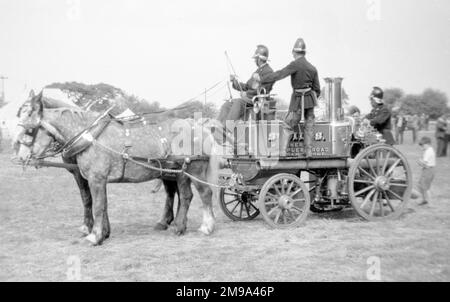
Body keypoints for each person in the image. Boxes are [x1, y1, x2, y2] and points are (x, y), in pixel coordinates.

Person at [259, 37, 320, 157]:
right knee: (309, 125)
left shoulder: (295, 65)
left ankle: (282, 152)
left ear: (294, 52)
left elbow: (279, 74)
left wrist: (262, 79)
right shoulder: (312, 68)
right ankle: (308, 152)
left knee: (288, 125)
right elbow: (317, 90)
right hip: (310, 101)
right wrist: (310, 99)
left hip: (297, 100)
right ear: (304, 52)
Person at [217, 45, 274, 129]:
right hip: (248, 98)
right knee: (227, 104)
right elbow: (246, 86)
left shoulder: (268, 71)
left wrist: (246, 94)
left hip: (256, 100)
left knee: (238, 102)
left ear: (259, 59)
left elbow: (263, 89)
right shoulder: (258, 71)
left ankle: (227, 128)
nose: (255, 61)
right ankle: (218, 125)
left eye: (255, 59)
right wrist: (234, 81)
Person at [411, 136, 436, 206]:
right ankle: (424, 200)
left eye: (423, 145)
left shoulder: (428, 151)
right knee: (421, 185)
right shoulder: (430, 150)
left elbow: (424, 163)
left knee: (426, 187)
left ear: (427, 144)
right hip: (428, 170)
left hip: (428, 170)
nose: (422, 147)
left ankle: (430, 203)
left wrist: (419, 161)